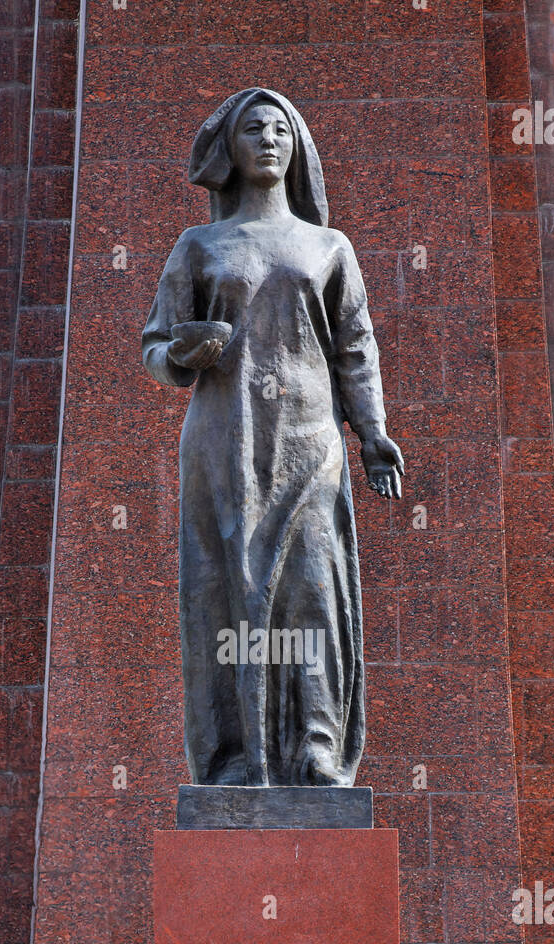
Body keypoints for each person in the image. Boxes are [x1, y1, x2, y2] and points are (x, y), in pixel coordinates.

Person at [142, 88, 404, 787]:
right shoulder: (199, 246)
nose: (266, 139)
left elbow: (356, 344)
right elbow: (156, 346)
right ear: (229, 149)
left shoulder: (327, 246)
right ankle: (232, 761)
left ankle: (317, 751)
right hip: (223, 441)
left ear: (298, 149)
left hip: (312, 437)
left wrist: (371, 431)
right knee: (223, 593)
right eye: (252, 128)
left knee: (312, 589)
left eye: (279, 129)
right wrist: (182, 356)